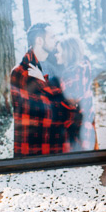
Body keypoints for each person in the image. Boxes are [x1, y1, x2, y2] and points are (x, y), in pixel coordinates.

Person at [10, 23, 72, 157]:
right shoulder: (21, 72)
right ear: (39, 40)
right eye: (52, 37)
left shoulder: (59, 66)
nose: (56, 40)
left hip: (60, 148)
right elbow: (47, 111)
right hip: (34, 152)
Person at [54, 36, 97, 152]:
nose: (55, 55)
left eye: (58, 52)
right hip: (86, 125)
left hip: (76, 130)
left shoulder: (73, 75)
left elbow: (70, 103)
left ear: (67, 53)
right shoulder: (83, 68)